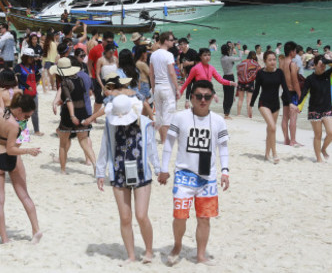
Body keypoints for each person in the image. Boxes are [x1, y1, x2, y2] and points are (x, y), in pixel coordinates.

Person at [158, 80, 230, 266]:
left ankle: (200, 255)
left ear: (213, 97)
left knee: (204, 219)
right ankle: (177, 245)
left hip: (208, 179)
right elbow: (169, 144)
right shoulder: (180, 117)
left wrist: (225, 171)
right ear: (192, 97)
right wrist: (164, 169)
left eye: (207, 96)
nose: (203, 100)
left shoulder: (218, 121)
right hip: (184, 175)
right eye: (199, 96)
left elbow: (223, 148)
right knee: (180, 216)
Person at [95, 95, 158, 265]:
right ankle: (131, 255)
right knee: (125, 217)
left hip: (141, 172)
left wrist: (158, 168)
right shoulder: (109, 124)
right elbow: (105, 147)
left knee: (141, 215)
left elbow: (151, 146)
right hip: (118, 172)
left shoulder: (144, 122)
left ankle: (149, 251)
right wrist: (100, 172)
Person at [0, 93, 43, 244]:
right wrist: (29, 151)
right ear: (19, 110)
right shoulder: (14, 125)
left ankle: (5, 239)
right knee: (24, 195)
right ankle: (36, 229)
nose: (25, 119)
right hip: (12, 158)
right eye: (26, 116)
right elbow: (11, 150)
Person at [297, 56, 332, 162]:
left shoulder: (328, 75)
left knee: (331, 133)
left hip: (327, 109)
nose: (323, 67)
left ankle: (323, 149)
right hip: (314, 110)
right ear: (315, 65)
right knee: (318, 135)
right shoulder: (310, 79)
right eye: (320, 65)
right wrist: (299, 107)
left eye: (324, 65)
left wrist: (326, 61)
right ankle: (318, 158)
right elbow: (304, 93)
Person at [50, 57, 96, 174]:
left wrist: (72, 115)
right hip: (83, 111)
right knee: (84, 141)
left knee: (63, 144)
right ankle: (95, 165)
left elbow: (69, 100)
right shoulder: (79, 79)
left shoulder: (65, 82)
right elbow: (78, 96)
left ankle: (63, 170)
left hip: (69, 114)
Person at [250, 51, 290, 163]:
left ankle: (267, 155)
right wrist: (251, 105)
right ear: (265, 61)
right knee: (272, 127)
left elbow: (285, 89)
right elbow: (256, 90)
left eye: (274, 59)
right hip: (264, 103)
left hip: (275, 104)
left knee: (270, 130)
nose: (273, 62)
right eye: (270, 60)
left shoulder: (280, 72)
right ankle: (275, 153)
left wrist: (290, 103)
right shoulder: (260, 73)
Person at [150, 32, 180, 144]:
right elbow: (172, 73)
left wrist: (153, 88)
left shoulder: (153, 55)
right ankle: (165, 141)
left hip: (157, 86)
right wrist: (177, 88)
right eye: (172, 40)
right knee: (168, 115)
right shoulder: (169, 55)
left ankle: (163, 140)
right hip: (167, 87)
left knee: (159, 114)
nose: (173, 42)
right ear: (165, 41)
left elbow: (151, 73)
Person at [278, 41, 302, 147]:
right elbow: (295, 81)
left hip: (284, 92)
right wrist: (300, 94)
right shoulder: (292, 64)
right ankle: (293, 140)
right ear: (292, 51)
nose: (296, 52)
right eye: (295, 50)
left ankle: (286, 140)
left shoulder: (282, 63)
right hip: (292, 93)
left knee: (284, 117)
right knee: (293, 118)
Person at [15, 47, 43, 136]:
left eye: (32, 57)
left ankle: (36, 130)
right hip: (23, 93)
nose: (32, 59)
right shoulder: (18, 67)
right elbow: (18, 79)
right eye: (30, 57)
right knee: (22, 112)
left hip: (33, 92)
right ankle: (21, 131)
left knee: (35, 111)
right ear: (25, 57)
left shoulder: (34, 67)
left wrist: (36, 81)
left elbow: (38, 76)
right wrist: (27, 86)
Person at [220, 44, 242, 119]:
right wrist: (239, 49)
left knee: (226, 96)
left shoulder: (222, 58)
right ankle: (227, 114)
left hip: (224, 77)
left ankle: (226, 113)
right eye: (229, 49)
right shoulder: (229, 59)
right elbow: (240, 58)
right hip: (230, 77)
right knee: (230, 97)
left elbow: (230, 56)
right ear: (227, 50)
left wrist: (232, 49)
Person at [236, 51, 260, 118]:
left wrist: (242, 78)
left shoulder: (243, 62)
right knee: (249, 100)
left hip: (241, 82)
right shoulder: (255, 63)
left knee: (240, 99)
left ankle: (238, 114)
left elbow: (238, 70)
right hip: (250, 83)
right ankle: (249, 115)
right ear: (254, 56)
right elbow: (259, 71)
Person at [178, 37, 199, 109]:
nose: (180, 46)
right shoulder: (181, 55)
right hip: (188, 74)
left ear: (186, 44)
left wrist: (189, 63)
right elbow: (182, 64)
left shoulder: (192, 52)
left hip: (196, 74)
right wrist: (182, 71)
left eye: (181, 44)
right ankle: (187, 102)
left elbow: (198, 62)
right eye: (179, 45)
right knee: (188, 87)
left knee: (196, 89)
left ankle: (196, 105)